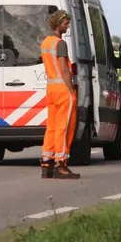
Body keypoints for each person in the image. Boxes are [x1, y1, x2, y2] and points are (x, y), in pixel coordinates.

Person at [40, 10, 80, 179]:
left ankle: (46, 163)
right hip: (63, 90)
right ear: (58, 23)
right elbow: (64, 69)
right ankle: (61, 164)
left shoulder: (45, 43)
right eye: (65, 23)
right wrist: (71, 89)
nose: (68, 26)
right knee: (64, 127)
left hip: (51, 90)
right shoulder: (60, 44)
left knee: (52, 127)